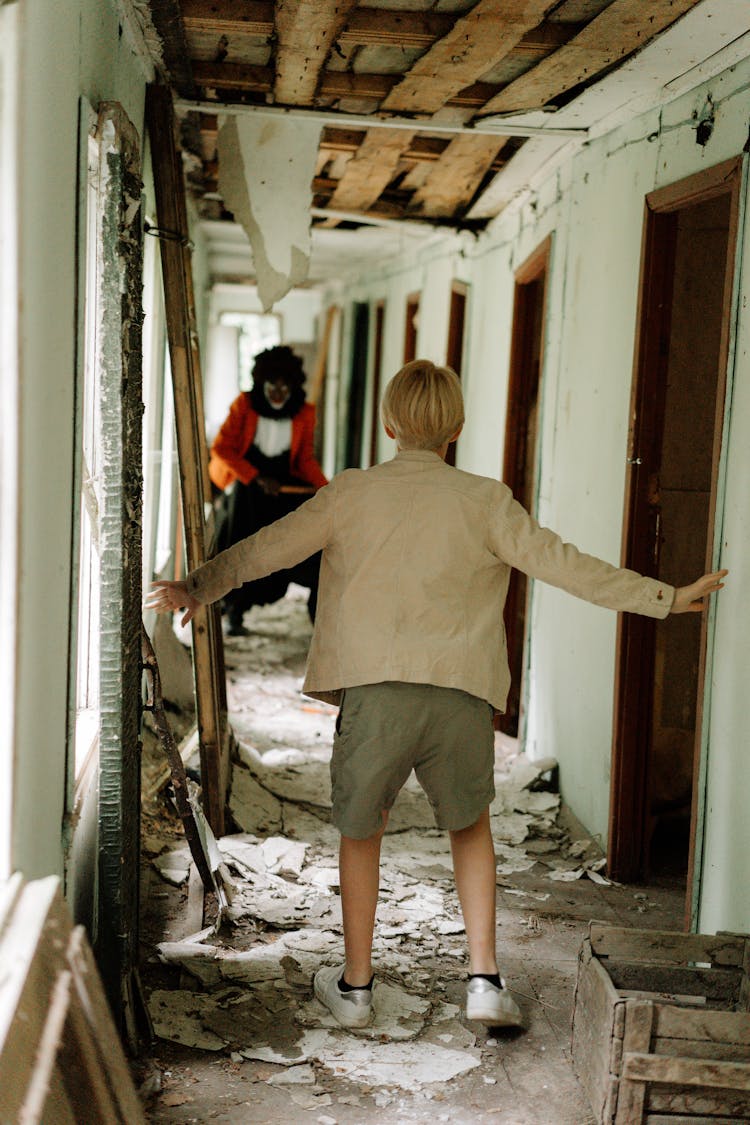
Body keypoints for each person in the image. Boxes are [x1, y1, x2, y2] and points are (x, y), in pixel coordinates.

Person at [147, 359, 727, 1030]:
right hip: (460, 695)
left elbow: (268, 548)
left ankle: (357, 989)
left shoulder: (352, 493)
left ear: (390, 424)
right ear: (456, 427)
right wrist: (665, 596)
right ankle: (484, 981)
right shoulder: (486, 500)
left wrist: (196, 585)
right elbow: (565, 563)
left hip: (375, 693)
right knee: (470, 827)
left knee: (362, 832)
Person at [209, 344, 327, 635]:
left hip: (283, 483)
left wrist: (326, 488)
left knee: (291, 542)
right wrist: (256, 477)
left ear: (292, 387)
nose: (277, 393)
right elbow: (222, 449)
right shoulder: (244, 405)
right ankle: (234, 609)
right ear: (262, 383)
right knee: (241, 542)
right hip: (247, 482)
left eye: (284, 387)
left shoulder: (305, 413)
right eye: (272, 385)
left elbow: (305, 459)